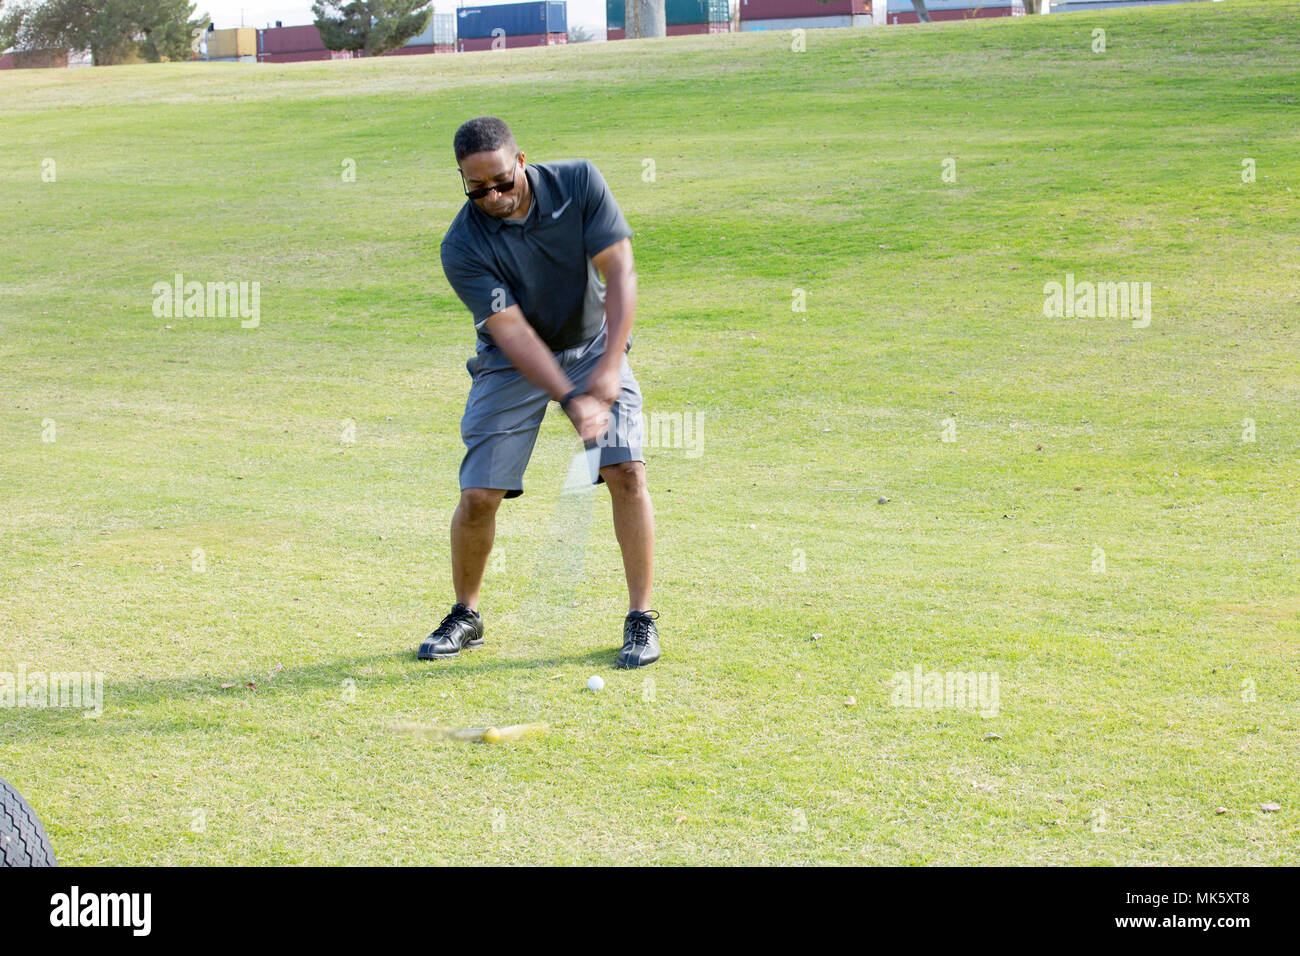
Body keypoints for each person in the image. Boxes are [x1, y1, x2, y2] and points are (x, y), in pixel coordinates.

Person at [423, 116, 660, 669]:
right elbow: (512, 331)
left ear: (521, 160)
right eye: (476, 188)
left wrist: (607, 367)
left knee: (625, 471)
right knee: (479, 494)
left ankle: (641, 618)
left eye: (503, 181)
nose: (493, 197)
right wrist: (572, 397)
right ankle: (467, 614)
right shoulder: (462, 244)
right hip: (511, 363)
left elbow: (620, 270)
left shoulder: (578, 183)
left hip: (593, 342)